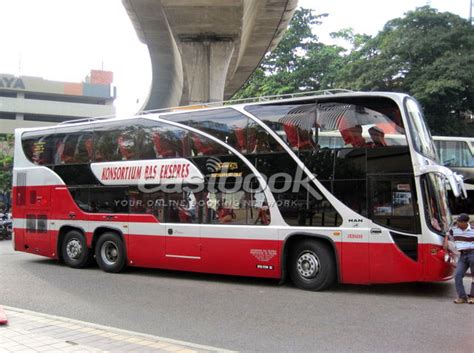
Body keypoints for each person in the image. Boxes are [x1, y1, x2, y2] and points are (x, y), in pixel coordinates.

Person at [445, 213, 474, 304]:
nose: (457, 223)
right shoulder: (454, 229)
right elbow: (447, 234)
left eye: (460, 222)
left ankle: (472, 297)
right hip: (462, 255)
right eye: (457, 221)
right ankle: (462, 297)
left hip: (472, 254)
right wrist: (446, 241)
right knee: (457, 275)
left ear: (466, 222)